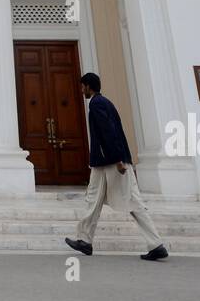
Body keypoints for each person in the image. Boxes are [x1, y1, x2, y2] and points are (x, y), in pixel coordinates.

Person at [65, 72, 168, 261]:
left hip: (112, 162)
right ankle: (85, 240)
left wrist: (119, 159)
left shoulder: (97, 104)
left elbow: (109, 133)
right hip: (103, 162)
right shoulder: (104, 103)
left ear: (88, 86)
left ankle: (156, 244)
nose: (81, 90)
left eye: (82, 87)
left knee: (133, 201)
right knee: (93, 199)